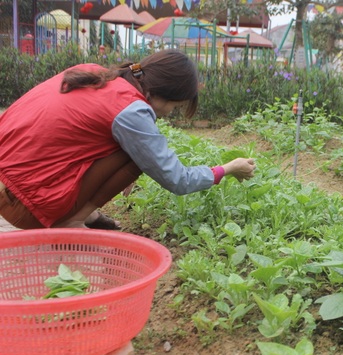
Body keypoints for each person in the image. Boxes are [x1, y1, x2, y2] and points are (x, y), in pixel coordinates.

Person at [0, 49, 256, 230]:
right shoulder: (131, 112)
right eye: (175, 107)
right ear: (163, 94)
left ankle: (84, 216)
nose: (169, 114)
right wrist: (228, 168)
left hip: (8, 182)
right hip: (23, 205)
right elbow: (177, 179)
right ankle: (71, 221)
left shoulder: (95, 73)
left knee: (130, 147)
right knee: (136, 156)